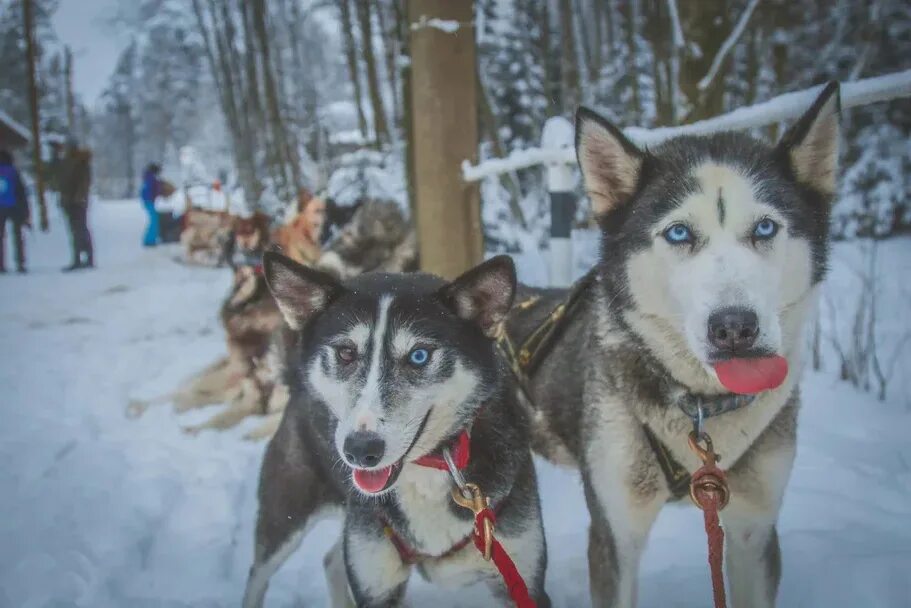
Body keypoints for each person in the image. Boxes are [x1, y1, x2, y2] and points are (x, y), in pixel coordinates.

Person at [57, 138, 94, 271]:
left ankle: (83, 258)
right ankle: (81, 258)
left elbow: (84, 182)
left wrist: (79, 197)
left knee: (79, 230)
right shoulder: (66, 162)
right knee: (76, 230)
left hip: (77, 202)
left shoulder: (81, 162)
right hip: (69, 201)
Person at [0, 149, 30, 274]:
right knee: (17, 236)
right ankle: (20, 263)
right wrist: (26, 212)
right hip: (14, 206)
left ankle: (1, 264)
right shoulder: (13, 172)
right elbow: (21, 192)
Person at [140, 163, 162, 247]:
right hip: (149, 201)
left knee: (153, 220)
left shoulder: (148, 177)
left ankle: (149, 239)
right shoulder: (151, 178)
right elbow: (152, 190)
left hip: (148, 200)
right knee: (154, 221)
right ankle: (149, 240)